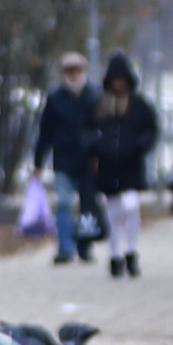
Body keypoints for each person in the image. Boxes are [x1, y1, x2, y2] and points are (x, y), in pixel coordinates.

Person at [90, 51, 160, 276]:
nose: (118, 83)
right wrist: (97, 147)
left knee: (131, 206)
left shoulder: (139, 105)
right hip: (108, 165)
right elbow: (88, 131)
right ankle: (115, 253)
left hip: (131, 164)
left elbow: (151, 130)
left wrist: (139, 147)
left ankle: (131, 250)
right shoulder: (100, 105)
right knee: (113, 212)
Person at [33, 52, 98, 263]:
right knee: (63, 203)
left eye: (77, 70)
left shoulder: (94, 96)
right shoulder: (55, 99)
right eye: (69, 70)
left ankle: (85, 247)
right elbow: (45, 132)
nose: (73, 74)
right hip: (63, 160)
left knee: (87, 206)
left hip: (89, 161)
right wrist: (38, 162)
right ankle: (65, 247)